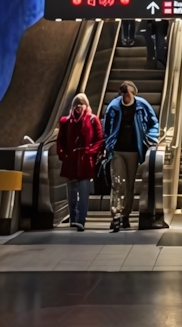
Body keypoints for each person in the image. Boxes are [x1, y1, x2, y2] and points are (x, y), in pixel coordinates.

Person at [101, 80, 157, 232]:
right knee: (117, 183)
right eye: (124, 94)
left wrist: (152, 138)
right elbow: (106, 128)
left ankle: (125, 215)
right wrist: (107, 145)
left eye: (128, 94)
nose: (126, 97)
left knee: (130, 184)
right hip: (117, 150)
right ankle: (116, 216)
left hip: (134, 151)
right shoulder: (113, 106)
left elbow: (153, 123)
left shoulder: (142, 105)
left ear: (133, 93)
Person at [56, 92, 103, 231]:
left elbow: (99, 140)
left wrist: (90, 153)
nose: (78, 107)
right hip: (71, 160)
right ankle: (73, 218)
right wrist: (64, 155)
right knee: (71, 193)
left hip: (85, 161)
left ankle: (81, 220)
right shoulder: (65, 121)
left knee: (83, 193)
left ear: (86, 105)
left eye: (81, 104)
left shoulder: (93, 120)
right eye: (76, 104)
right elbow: (61, 141)